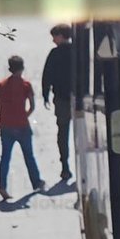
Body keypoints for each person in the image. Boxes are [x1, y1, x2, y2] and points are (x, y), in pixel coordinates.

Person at [0, 55, 44, 200]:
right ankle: (36, 182)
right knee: (29, 156)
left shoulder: (2, 85)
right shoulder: (26, 85)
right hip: (22, 126)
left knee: (5, 157)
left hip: (6, 126)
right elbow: (32, 106)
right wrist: (24, 115)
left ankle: (2, 187)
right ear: (22, 68)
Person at [41, 23, 73, 180]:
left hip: (61, 99)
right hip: (79, 98)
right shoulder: (78, 51)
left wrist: (45, 95)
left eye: (54, 36)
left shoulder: (54, 53)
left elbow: (47, 75)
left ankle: (65, 166)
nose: (53, 40)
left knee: (63, 133)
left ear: (61, 35)